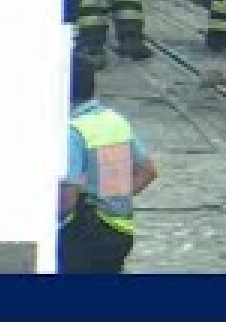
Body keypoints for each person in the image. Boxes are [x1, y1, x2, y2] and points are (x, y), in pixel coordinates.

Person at [59, 56, 158, 273]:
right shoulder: (114, 120)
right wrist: (115, 196)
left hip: (86, 236)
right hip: (121, 230)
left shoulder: (72, 132)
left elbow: (67, 199)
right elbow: (148, 171)